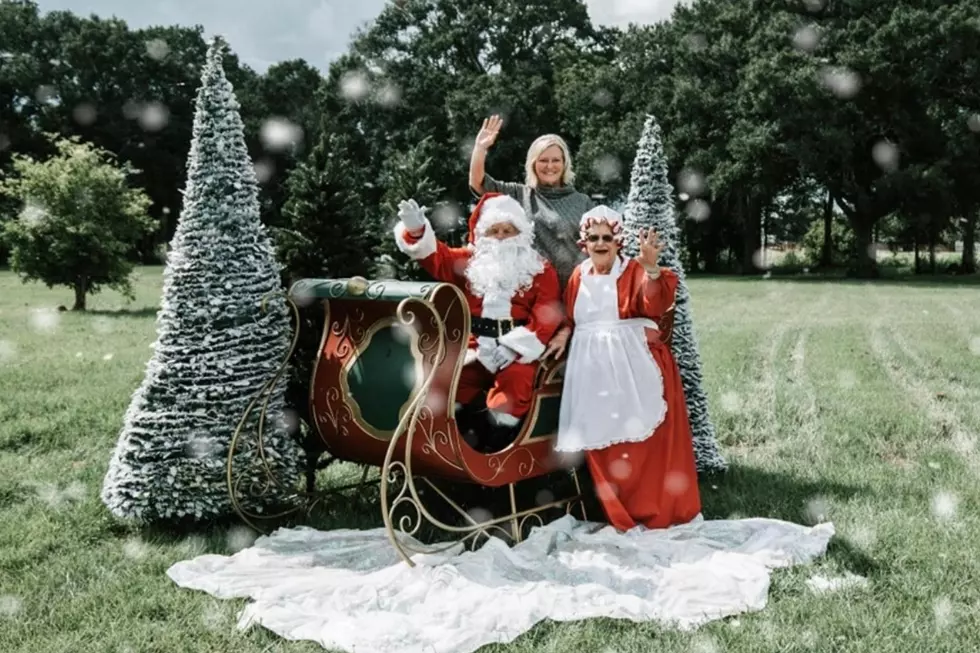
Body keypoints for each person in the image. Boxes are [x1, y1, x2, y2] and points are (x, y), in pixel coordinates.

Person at [545, 205, 701, 530]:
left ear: (618, 241)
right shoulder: (578, 275)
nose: (600, 244)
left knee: (638, 447)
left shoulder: (633, 270)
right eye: (593, 238)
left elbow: (653, 304)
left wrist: (652, 269)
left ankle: (652, 513)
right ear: (583, 242)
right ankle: (618, 515)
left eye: (607, 237)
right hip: (591, 373)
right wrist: (563, 332)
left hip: (633, 370)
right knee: (603, 446)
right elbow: (574, 318)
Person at [393, 192, 563, 450]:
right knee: (449, 382)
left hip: (517, 353)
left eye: (509, 230)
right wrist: (416, 230)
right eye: (495, 230)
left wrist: (514, 347)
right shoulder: (469, 262)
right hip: (474, 347)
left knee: (516, 383)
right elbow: (435, 258)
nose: (502, 236)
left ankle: (494, 452)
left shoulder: (539, 268)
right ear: (483, 234)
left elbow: (546, 315)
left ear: (522, 233)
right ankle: (456, 447)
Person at [468, 114, 595, 287]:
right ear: (533, 164)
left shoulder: (583, 201)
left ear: (565, 163)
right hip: (534, 293)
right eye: (543, 160)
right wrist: (480, 148)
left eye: (556, 160)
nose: (550, 166)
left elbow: (597, 247)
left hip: (577, 290)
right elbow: (478, 182)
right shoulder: (519, 194)